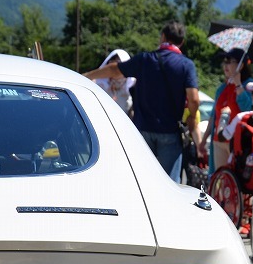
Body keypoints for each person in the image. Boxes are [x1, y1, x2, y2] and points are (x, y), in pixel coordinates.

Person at [85, 21, 200, 180]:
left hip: (142, 131)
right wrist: (192, 117)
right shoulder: (187, 65)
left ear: (163, 37)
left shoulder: (145, 59)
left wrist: (86, 76)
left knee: (142, 180)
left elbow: (114, 70)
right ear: (182, 42)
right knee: (170, 183)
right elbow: (193, 99)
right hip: (170, 132)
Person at [204, 50, 253, 173]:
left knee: (235, 182)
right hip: (218, 140)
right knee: (219, 180)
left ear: (241, 65)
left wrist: (238, 85)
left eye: (230, 61)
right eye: (224, 61)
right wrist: (204, 139)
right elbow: (214, 116)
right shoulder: (222, 88)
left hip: (237, 142)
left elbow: (249, 110)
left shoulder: (249, 85)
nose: (225, 65)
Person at [94, 49, 135, 114]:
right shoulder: (96, 83)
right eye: (111, 63)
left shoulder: (132, 85)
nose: (114, 68)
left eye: (118, 64)